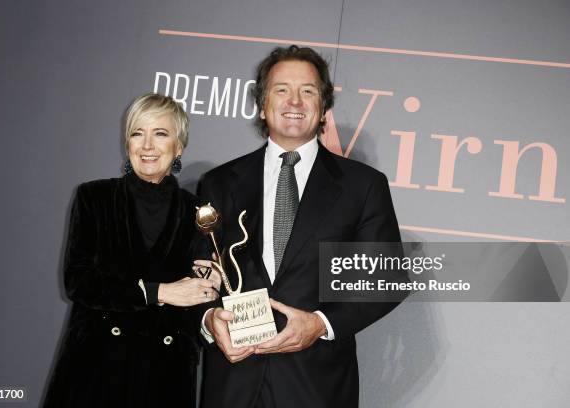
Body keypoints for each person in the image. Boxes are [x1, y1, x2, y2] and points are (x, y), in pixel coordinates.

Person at [196, 46, 404, 408]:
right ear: (262, 104)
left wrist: (321, 323)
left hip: (316, 385)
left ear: (323, 107)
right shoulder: (218, 183)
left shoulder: (363, 186)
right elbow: (198, 273)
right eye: (281, 90)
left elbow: (385, 279)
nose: (294, 101)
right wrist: (209, 318)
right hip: (232, 382)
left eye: (307, 91)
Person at [43, 93, 220, 408]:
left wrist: (210, 289)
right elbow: (79, 282)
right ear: (127, 143)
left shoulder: (198, 213)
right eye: (138, 133)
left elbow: (200, 291)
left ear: (179, 146)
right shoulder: (93, 197)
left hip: (164, 376)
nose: (147, 145)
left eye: (160, 134)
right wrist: (158, 292)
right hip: (96, 370)